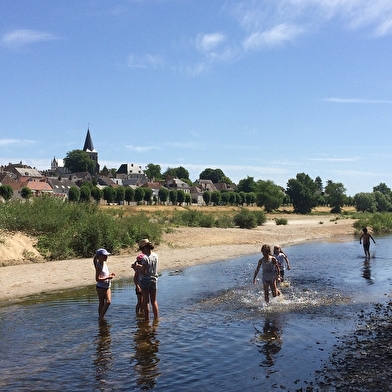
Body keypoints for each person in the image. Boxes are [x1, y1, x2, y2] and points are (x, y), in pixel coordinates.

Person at [136, 239, 159, 321]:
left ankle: (147, 320)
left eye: (141, 249)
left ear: (144, 248)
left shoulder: (145, 258)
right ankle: (156, 319)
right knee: (154, 301)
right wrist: (141, 267)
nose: (141, 251)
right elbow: (150, 268)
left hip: (145, 280)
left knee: (146, 302)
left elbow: (144, 272)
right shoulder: (156, 256)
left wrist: (136, 269)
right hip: (154, 279)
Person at [94, 248, 116, 321]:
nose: (106, 257)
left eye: (106, 256)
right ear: (99, 257)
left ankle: (101, 318)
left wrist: (110, 275)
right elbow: (97, 279)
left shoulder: (104, 264)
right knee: (102, 303)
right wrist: (108, 277)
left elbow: (104, 275)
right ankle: (101, 318)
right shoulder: (98, 266)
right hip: (100, 287)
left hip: (107, 286)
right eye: (104, 256)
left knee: (108, 301)